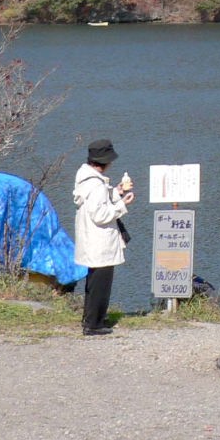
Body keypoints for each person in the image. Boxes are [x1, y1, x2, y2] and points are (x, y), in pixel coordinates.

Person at [73, 138, 134, 337]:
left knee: (93, 282)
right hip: (100, 241)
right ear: (106, 161)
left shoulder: (86, 179)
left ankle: (90, 319)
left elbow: (97, 202)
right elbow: (100, 215)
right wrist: (122, 204)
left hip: (90, 239)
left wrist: (116, 192)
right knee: (101, 284)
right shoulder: (97, 185)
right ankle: (94, 324)